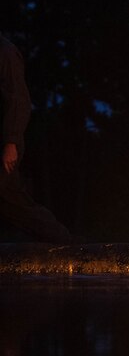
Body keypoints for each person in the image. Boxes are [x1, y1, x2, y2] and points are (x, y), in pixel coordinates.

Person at [0, 33, 74, 243]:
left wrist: (11, 141)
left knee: (12, 200)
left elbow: (18, 99)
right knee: (11, 201)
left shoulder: (5, 51)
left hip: (5, 141)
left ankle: (64, 242)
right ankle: (62, 240)